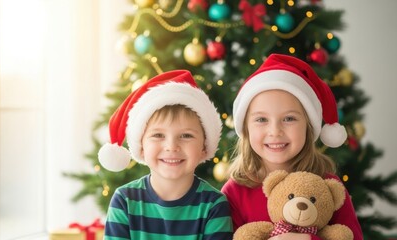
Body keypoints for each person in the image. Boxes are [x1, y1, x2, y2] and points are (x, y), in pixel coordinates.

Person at [221, 53, 363, 240]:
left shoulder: (328, 186)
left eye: (289, 119)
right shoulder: (234, 192)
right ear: (246, 128)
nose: (275, 131)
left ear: (308, 126)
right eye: (261, 119)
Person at [98, 70, 233, 239]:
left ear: (204, 147)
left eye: (186, 136)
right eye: (158, 135)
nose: (171, 146)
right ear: (141, 147)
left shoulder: (214, 204)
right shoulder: (124, 201)